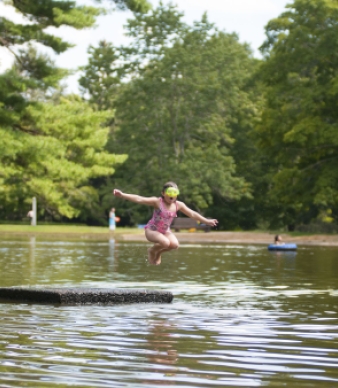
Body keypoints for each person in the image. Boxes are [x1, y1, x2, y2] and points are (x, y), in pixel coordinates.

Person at [113, 181, 218, 265]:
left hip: (165, 231)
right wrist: (122, 195)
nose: (172, 196)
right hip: (152, 230)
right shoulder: (157, 202)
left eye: (175, 193)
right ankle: (152, 251)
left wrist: (207, 221)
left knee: (175, 245)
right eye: (169, 193)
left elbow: (193, 214)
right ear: (163, 193)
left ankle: (158, 253)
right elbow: (139, 199)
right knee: (165, 243)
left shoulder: (178, 205)